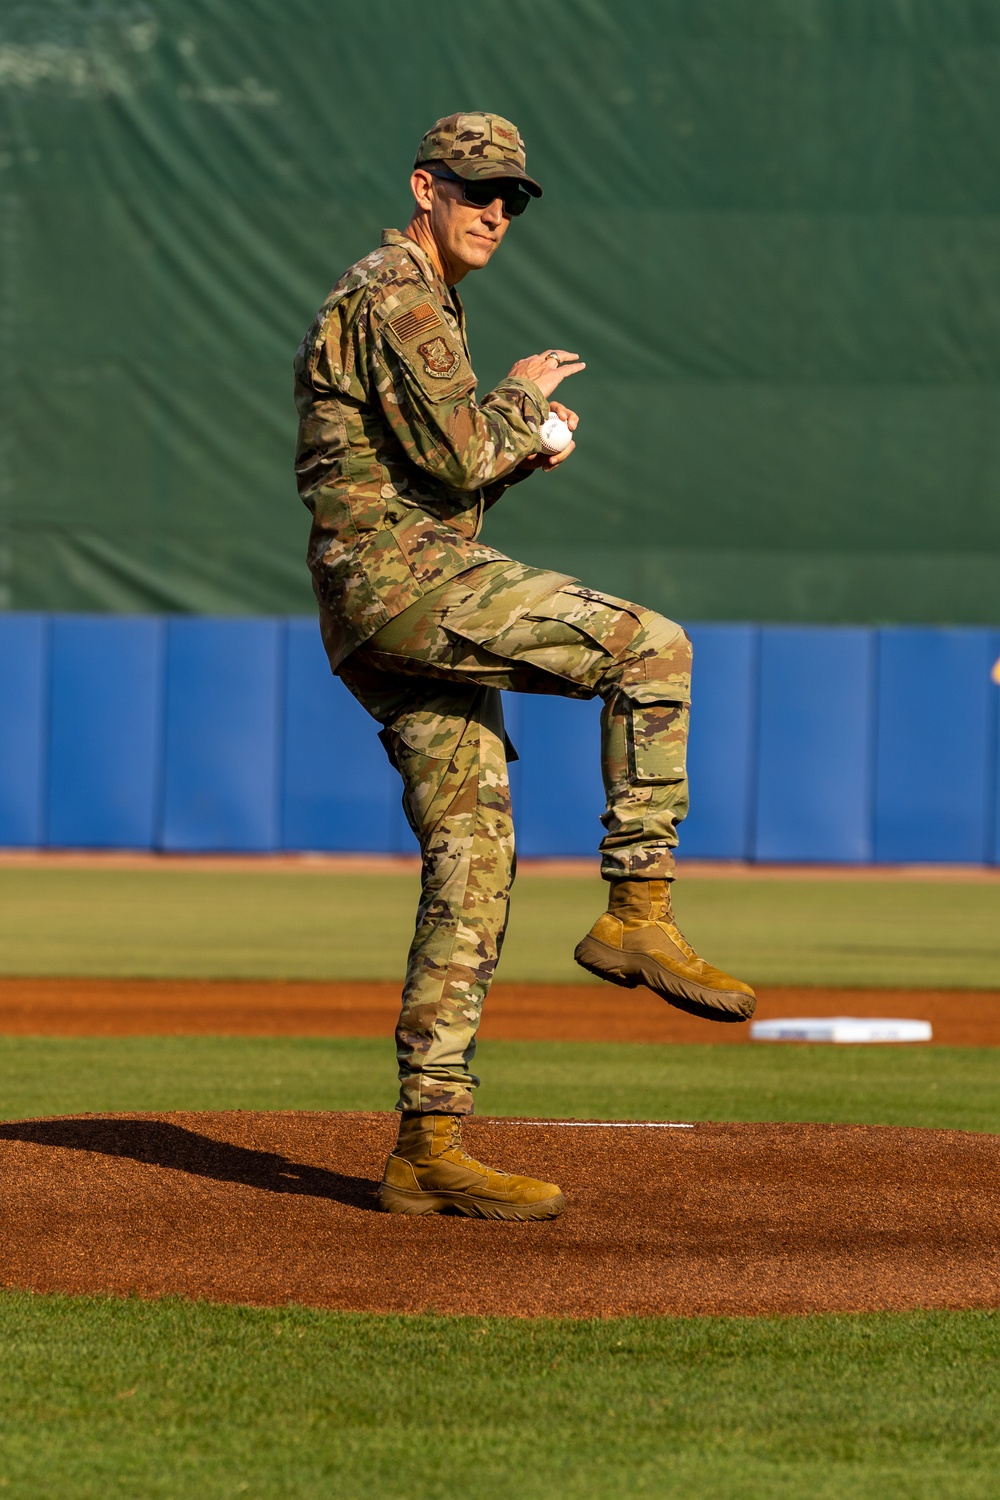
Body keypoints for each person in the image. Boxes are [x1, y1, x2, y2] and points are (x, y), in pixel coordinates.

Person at [293, 112, 755, 1222]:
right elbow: (461, 452)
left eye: (511, 197)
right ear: (424, 187)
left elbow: (443, 477)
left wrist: (519, 437)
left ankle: (426, 1144)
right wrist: (527, 413)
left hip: (379, 595)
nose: (496, 210)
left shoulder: (415, 296)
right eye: (474, 189)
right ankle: (637, 906)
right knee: (651, 644)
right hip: (402, 584)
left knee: (474, 848)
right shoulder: (398, 290)